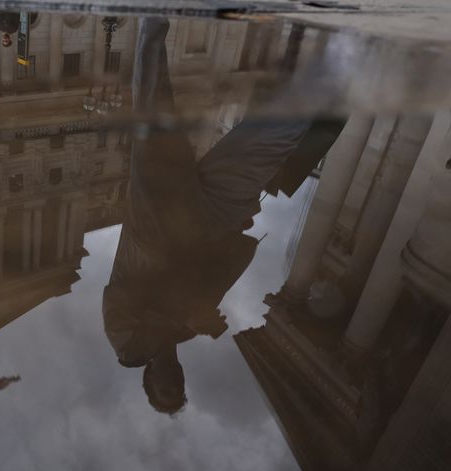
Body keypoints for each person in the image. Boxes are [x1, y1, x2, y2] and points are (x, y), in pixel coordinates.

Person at [103, 18, 345, 414]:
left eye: (163, 391)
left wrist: (188, 317)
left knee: (152, 109)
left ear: (148, 380)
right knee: (280, 136)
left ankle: (153, 14)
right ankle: (346, 50)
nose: (172, 384)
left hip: (155, 223)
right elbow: (211, 273)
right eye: (178, 391)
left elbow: (127, 300)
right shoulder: (191, 330)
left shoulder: (126, 346)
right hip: (213, 221)